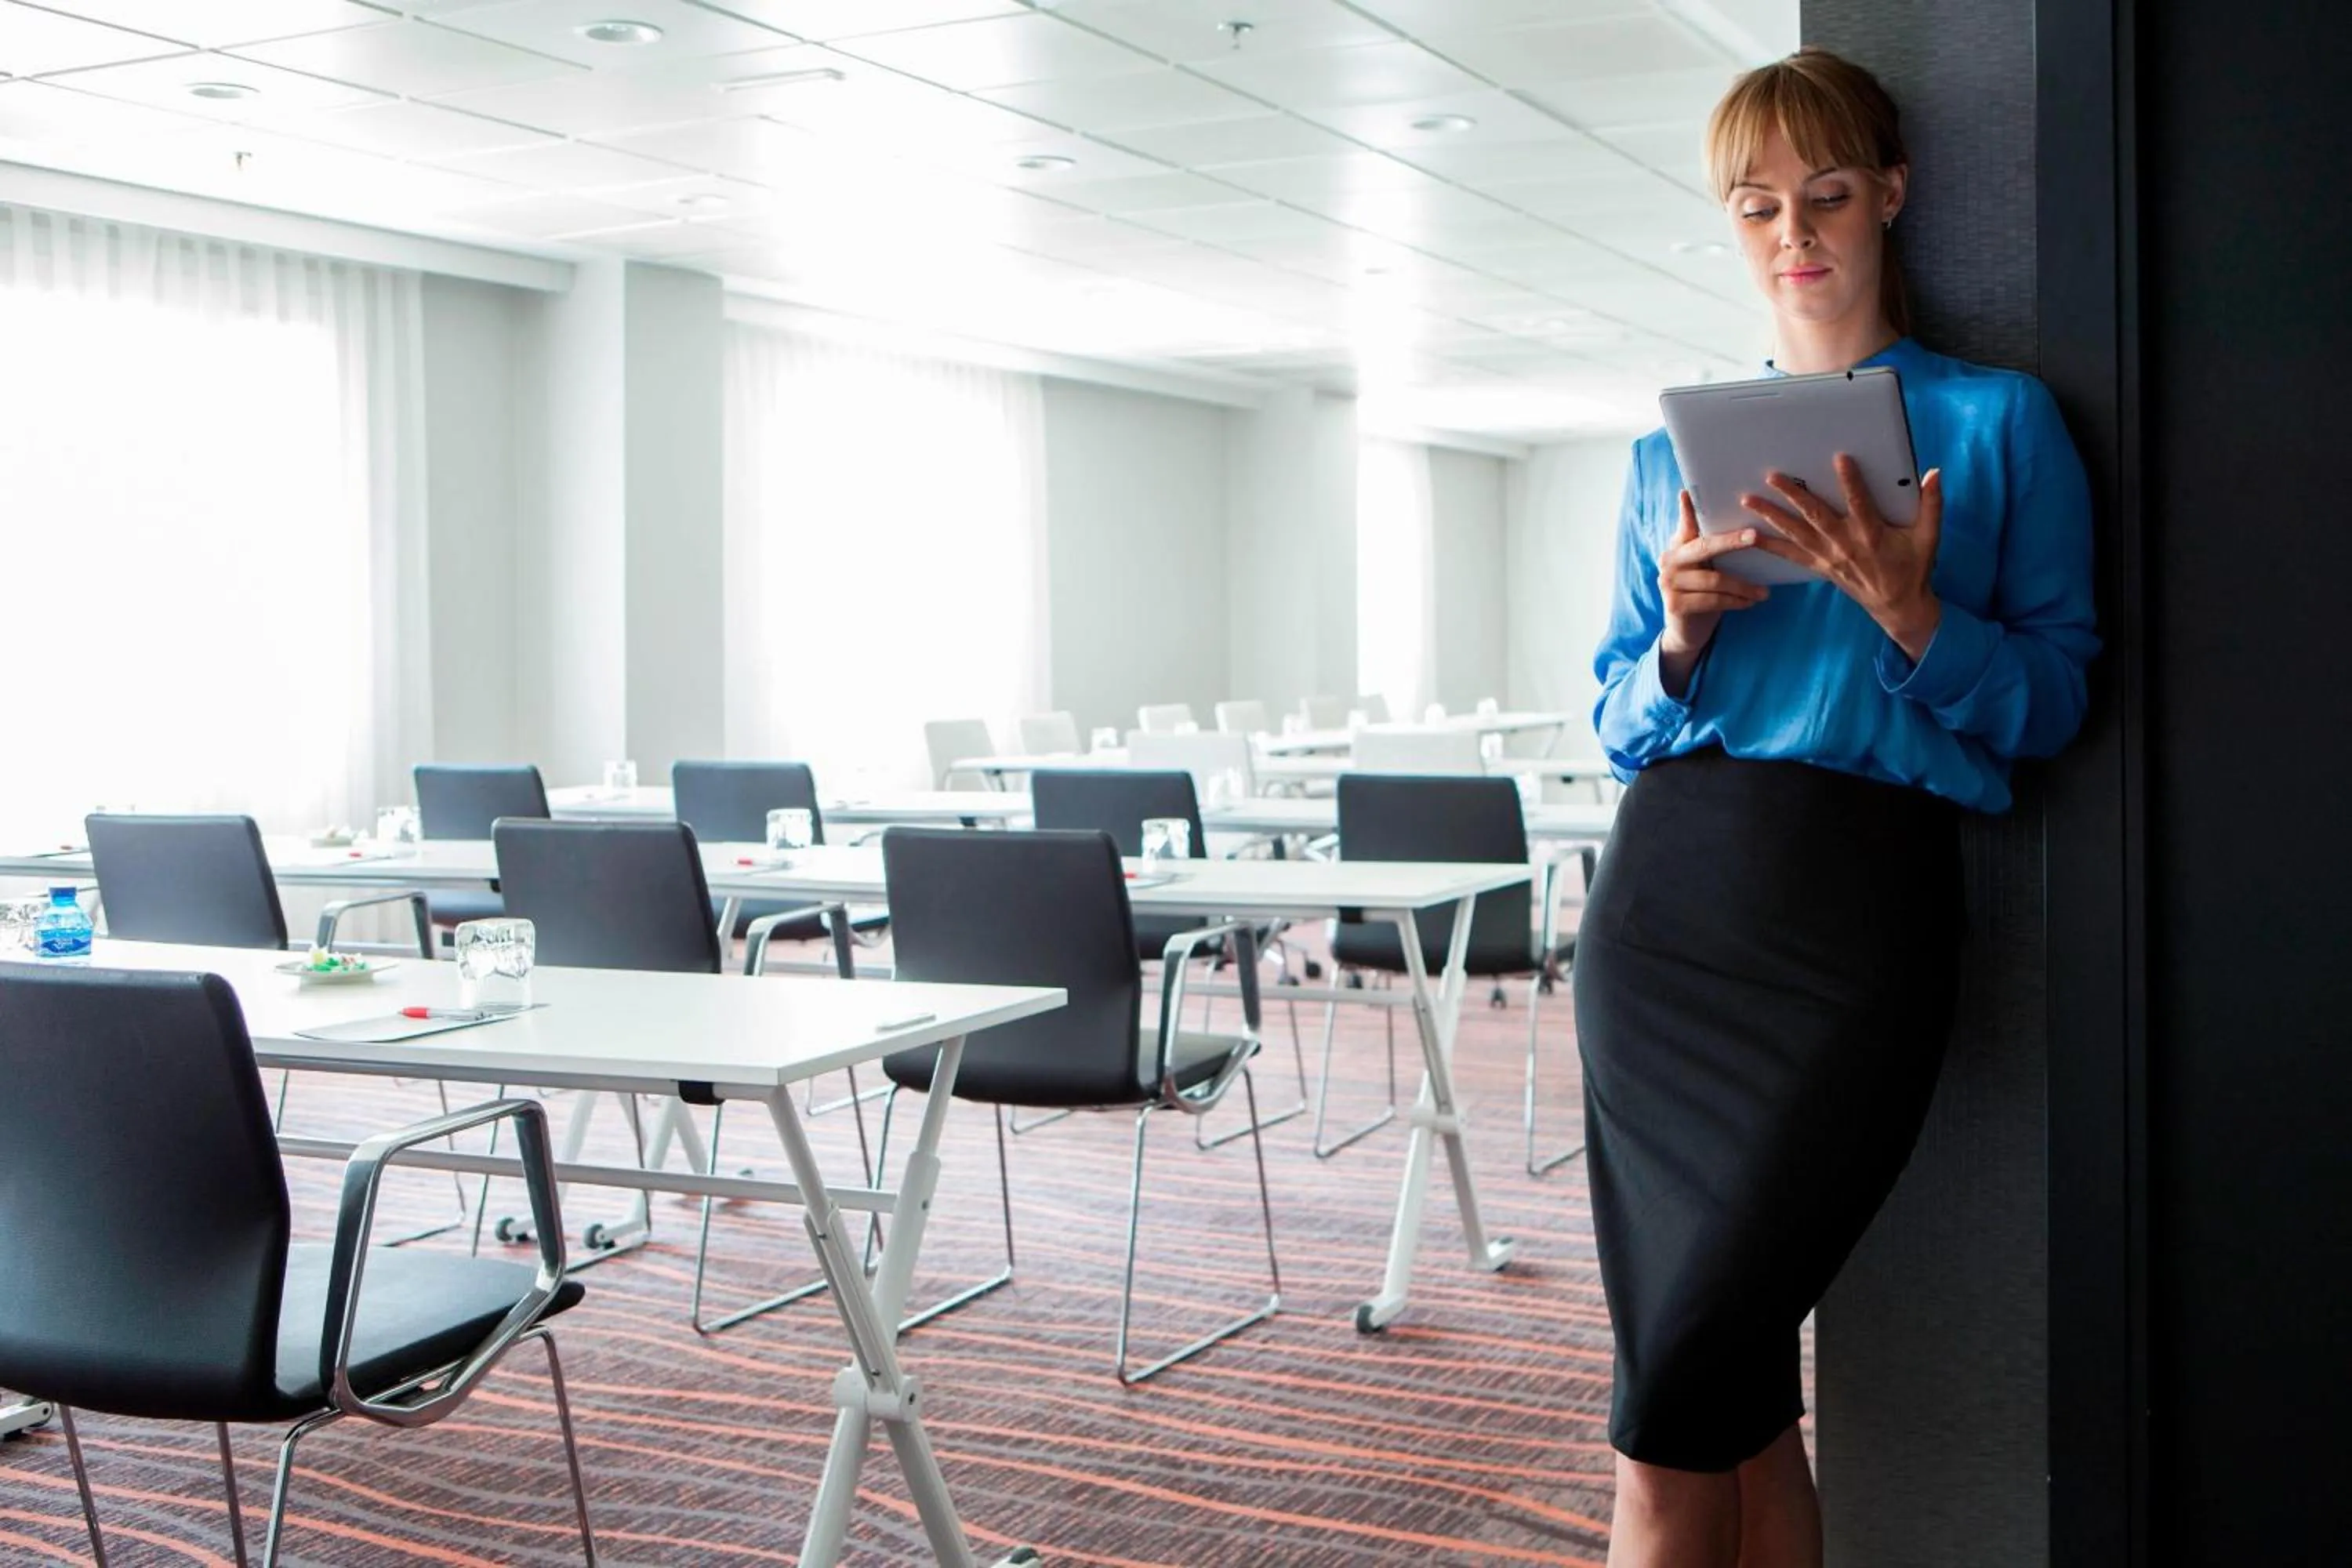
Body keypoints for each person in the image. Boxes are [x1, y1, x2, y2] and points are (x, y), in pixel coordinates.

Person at [1572, 46, 2099, 1568]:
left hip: (1853, 933)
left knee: (1680, 1407)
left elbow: (2057, 702)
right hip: (1662, 921)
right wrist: (1679, 636)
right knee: (1725, 1407)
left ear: (1892, 197)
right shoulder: (1664, 457)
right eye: (1755, 207)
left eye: (1825, 194)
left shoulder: (1998, 428)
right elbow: (1614, 716)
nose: (1792, 232)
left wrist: (1914, 614)